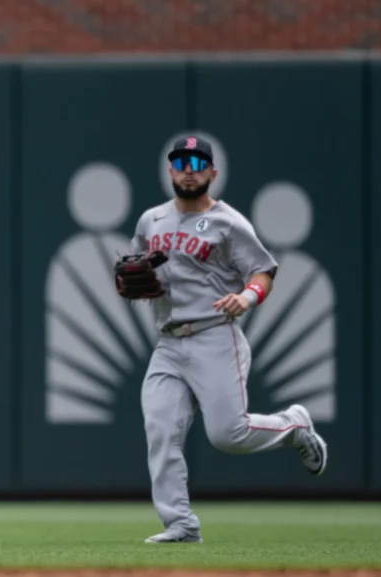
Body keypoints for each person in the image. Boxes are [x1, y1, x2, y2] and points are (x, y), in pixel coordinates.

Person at [123, 135, 327, 544]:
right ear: (170, 170)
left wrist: (248, 296)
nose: (188, 170)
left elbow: (263, 270)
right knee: (160, 428)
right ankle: (180, 525)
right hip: (168, 343)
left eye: (198, 163)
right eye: (180, 162)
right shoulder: (151, 221)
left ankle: (295, 425)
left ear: (212, 173)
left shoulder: (230, 223)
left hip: (215, 337)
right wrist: (131, 282)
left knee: (227, 435)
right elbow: (133, 272)